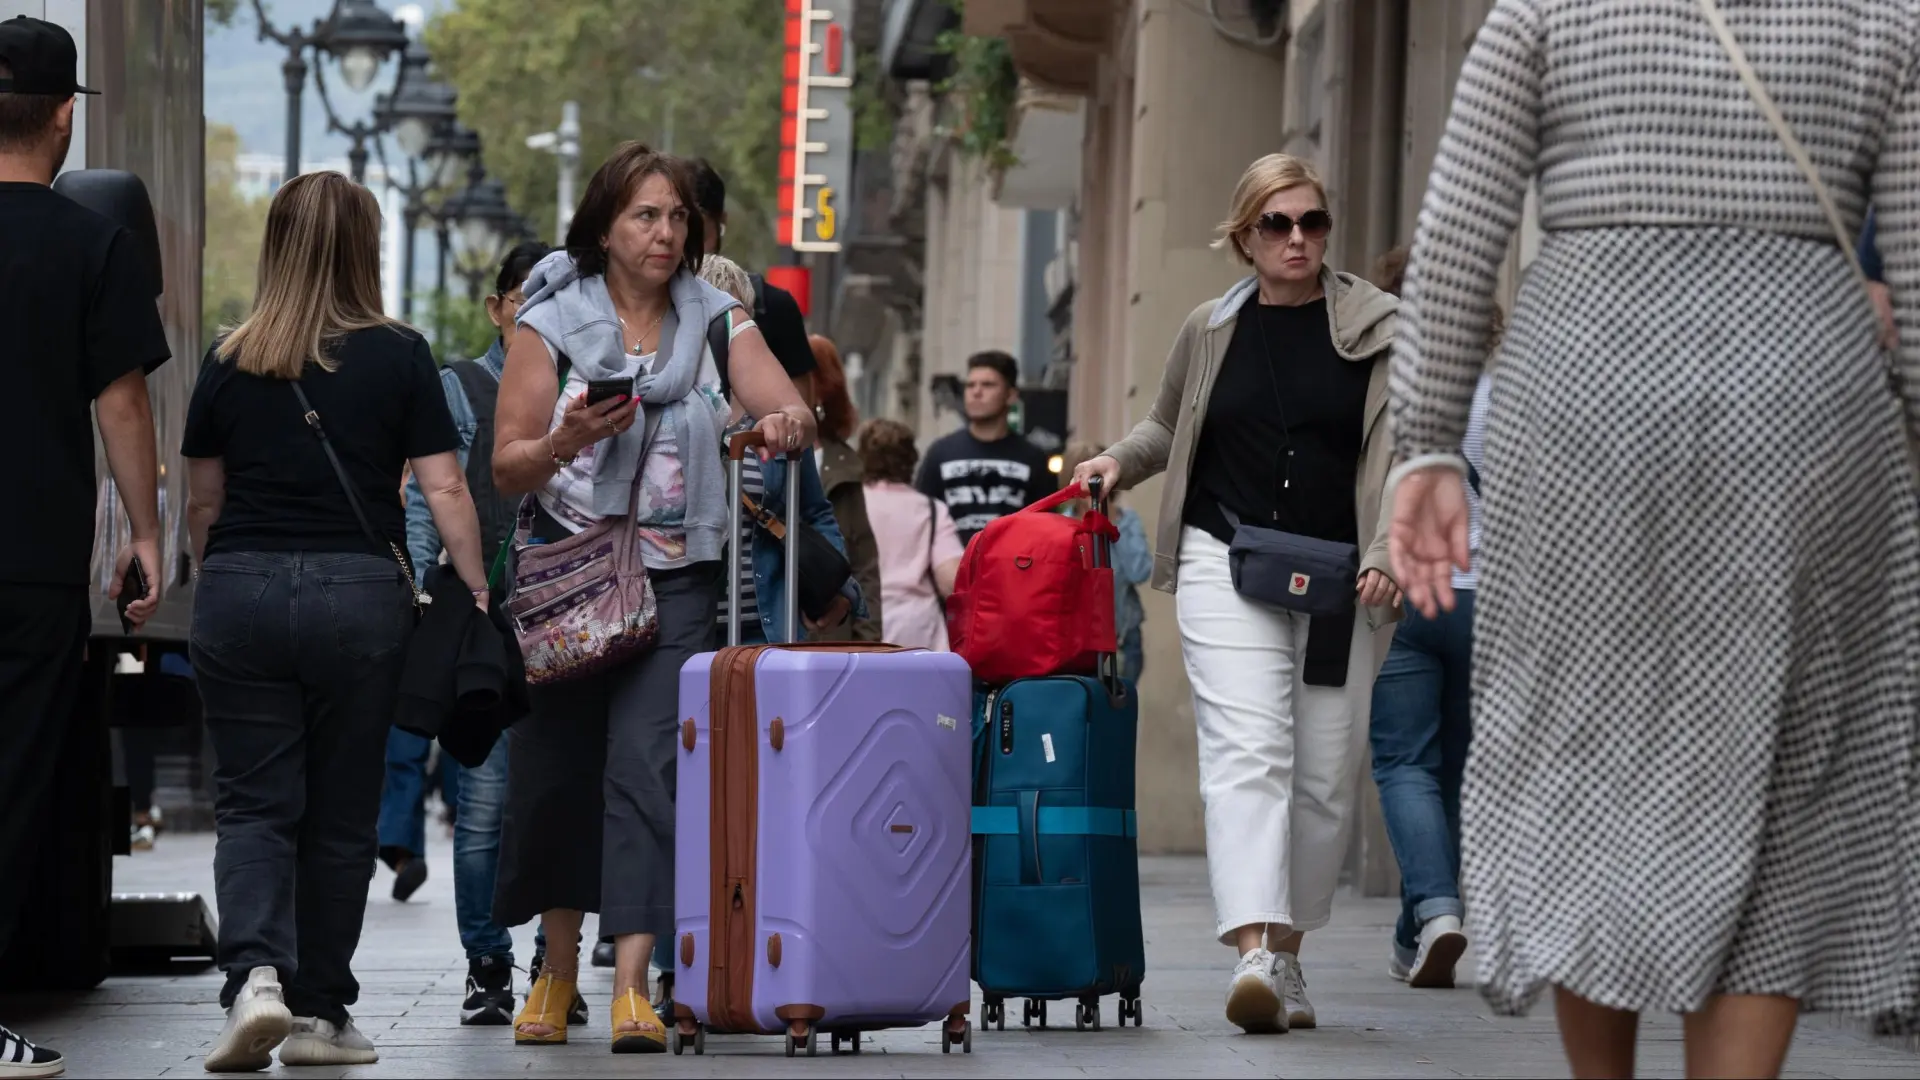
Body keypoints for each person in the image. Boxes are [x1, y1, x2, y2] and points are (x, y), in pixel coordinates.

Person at [1386, 3, 1919, 1077]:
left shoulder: (1548, 10)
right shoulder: (1886, 19)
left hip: (1584, 390)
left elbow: (1455, 236)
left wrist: (1428, 444)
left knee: (1585, 747)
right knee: (1789, 776)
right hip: (1805, 391)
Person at [490, 143, 812, 1054]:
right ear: (604, 228)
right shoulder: (548, 324)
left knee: (647, 772)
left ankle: (633, 982)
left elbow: (791, 410)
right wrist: (570, 437)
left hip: (677, 577)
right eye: (645, 215)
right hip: (568, 572)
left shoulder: (720, 320)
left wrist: (784, 423)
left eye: (676, 217)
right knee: (557, 774)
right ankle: (553, 973)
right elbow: (507, 464)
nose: (666, 232)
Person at [1074, 152, 1403, 1035]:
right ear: (1244, 236)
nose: (1298, 239)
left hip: (1342, 573)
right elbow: (1165, 422)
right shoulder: (1210, 326)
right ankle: (1254, 949)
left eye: (1313, 222)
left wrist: (1386, 551)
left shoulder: (1378, 329)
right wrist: (1116, 460)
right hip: (1229, 557)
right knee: (1249, 749)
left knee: (1327, 777)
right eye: (1278, 224)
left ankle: (1287, 956)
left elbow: (1404, 453)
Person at [183, 170, 488, 1071]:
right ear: (368, 247)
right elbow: (444, 486)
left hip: (240, 588)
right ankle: (319, 1013)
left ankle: (253, 981)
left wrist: (222, 576)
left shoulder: (228, 356)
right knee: (342, 814)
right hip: (360, 601)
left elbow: (204, 500)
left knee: (251, 806)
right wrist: (474, 591)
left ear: (278, 245)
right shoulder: (402, 355)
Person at [0, 17, 168, 1077]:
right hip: (27, 561)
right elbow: (121, 402)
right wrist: (144, 532)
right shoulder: (90, 241)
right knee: (10, 786)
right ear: (66, 114)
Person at [397, 240, 552, 1027]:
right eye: (527, 292)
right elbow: (433, 493)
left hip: (571, 617)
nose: (538, 306)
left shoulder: (588, 385)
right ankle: (488, 961)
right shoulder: (459, 386)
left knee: (562, 793)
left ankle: (553, 966)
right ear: (498, 307)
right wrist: (423, 591)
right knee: (485, 802)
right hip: (487, 622)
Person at [1363, 243, 1490, 990]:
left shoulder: (1398, 387)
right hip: (1496, 602)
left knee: (1403, 760)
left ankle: (1436, 909)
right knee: (1457, 768)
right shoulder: (1505, 384)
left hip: (1418, 593)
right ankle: (1423, 925)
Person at [697, 254, 860, 645]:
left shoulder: (780, 413)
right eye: (718, 323)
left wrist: (840, 590)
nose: (730, 336)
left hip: (767, 631)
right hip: (684, 635)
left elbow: (814, 510)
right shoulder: (665, 408)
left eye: (742, 323)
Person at [685, 157, 818, 400]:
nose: (689, 253)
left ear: (721, 222)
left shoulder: (771, 307)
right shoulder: (640, 306)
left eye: (700, 235)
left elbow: (799, 414)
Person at [916, 350, 1056, 546]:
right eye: (970, 385)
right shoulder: (940, 454)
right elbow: (921, 519)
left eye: (988, 385)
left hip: (1011, 569)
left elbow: (1045, 530)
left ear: (1011, 395)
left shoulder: (1033, 458)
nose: (976, 392)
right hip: (952, 570)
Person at [803, 333, 884, 643]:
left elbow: (864, 566)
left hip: (833, 641)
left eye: (801, 375)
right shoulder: (757, 450)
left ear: (822, 388)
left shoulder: (846, 467)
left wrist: (867, 642)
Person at [859, 419, 964, 650]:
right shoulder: (931, 509)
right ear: (911, 459)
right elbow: (951, 581)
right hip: (919, 631)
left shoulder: (851, 506)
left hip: (863, 624)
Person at [1057, 442, 1152, 682]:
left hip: (1122, 638)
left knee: (1119, 712)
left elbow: (1139, 572)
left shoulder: (1127, 520)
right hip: (1076, 640)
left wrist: (1108, 520)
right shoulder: (1061, 527)